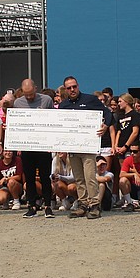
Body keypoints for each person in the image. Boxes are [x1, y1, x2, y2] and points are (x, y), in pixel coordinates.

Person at [57, 75, 111, 219]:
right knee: (79, 178)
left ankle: (94, 205)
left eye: (74, 86)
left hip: (88, 147)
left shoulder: (90, 100)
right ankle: (82, 204)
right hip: (73, 148)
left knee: (90, 177)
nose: (72, 89)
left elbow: (107, 112)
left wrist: (105, 126)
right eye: (69, 88)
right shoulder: (63, 106)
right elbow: (59, 126)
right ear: (65, 90)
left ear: (78, 86)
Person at [12, 79, 57, 219]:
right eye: (26, 95)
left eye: (31, 94)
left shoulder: (47, 100)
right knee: (29, 178)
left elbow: (53, 120)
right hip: (27, 145)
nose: (29, 97)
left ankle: (48, 206)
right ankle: (31, 206)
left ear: (36, 89)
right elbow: (17, 124)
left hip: (43, 145)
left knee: (45, 177)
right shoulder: (18, 103)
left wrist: (52, 143)